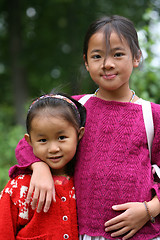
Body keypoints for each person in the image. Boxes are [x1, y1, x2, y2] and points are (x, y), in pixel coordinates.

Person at [8, 15, 160, 240]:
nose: (107, 64)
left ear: (136, 57)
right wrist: (38, 167)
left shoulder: (152, 115)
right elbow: (30, 141)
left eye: (118, 54)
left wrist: (149, 210)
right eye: (97, 56)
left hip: (141, 233)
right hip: (82, 232)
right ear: (86, 62)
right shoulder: (75, 109)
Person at [0, 93, 86, 239]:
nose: (53, 148)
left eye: (61, 138)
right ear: (29, 141)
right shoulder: (19, 187)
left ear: (79, 135)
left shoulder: (84, 181)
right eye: (43, 140)